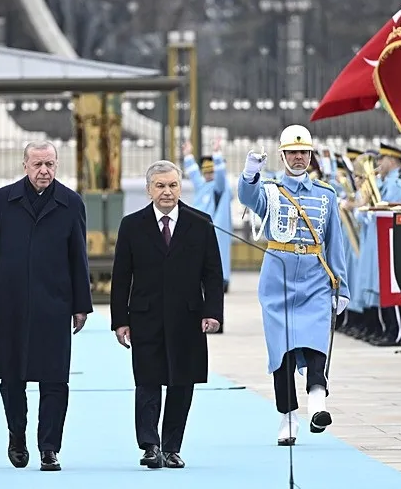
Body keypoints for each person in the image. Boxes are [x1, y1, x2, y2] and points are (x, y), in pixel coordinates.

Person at [0, 140, 93, 472]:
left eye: (50, 164)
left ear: (57, 165)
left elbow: (78, 259)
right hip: (10, 304)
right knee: (12, 378)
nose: (44, 171)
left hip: (54, 305)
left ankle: (49, 448)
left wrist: (81, 305)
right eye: (37, 164)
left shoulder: (71, 203)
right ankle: (17, 437)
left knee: (55, 379)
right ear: (24, 165)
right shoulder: (4, 200)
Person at [238, 124, 349, 447]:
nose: (298, 158)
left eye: (303, 152)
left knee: (317, 342)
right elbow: (249, 198)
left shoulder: (326, 195)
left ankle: (318, 402)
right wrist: (249, 174)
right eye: (292, 153)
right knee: (281, 352)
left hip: (315, 276)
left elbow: (335, 243)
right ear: (283, 155)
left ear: (311, 155)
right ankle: (287, 416)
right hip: (279, 278)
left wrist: (340, 286)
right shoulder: (271, 191)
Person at [110, 159, 224, 469]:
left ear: (180, 187)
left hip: (188, 318)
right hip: (145, 317)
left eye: (172, 185)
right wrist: (120, 320)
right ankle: (150, 446)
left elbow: (212, 273)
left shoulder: (200, 222)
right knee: (148, 381)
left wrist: (212, 312)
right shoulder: (131, 225)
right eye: (160, 186)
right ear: (149, 190)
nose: (167, 192)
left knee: (181, 383)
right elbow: (121, 276)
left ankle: (172, 447)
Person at [182, 137, 233, 296]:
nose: (208, 174)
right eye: (207, 172)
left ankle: (222, 280)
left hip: (216, 230)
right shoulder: (202, 185)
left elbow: (220, 176)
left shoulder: (218, 188)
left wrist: (217, 154)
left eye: (211, 171)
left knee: (218, 256)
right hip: (200, 229)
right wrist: (187, 155)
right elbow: (193, 174)